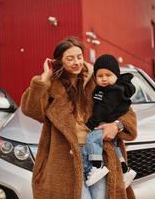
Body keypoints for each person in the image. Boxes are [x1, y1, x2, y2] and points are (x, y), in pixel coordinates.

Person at [20, 36, 137, 199]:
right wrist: (44, 80)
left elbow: (126, 111)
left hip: (98, 155)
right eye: (70, 58)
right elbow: (30, 110)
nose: (76, 62)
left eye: (79, 57)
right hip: (64, 159)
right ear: (60, 61)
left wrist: (117, 125)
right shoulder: (51, 85)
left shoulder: (99, 80)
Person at [84, 54, 137, 188]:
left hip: (102, 125)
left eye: (108, 75)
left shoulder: (113, 91)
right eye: (100, 76)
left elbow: (104, 109)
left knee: (91, 139)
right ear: (95, 77)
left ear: (116, 76)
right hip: (104, 128)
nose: (104, 79)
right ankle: (125, 170)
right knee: (114, 147)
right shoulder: (104, 89)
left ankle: (97, 166)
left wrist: (92, 123)